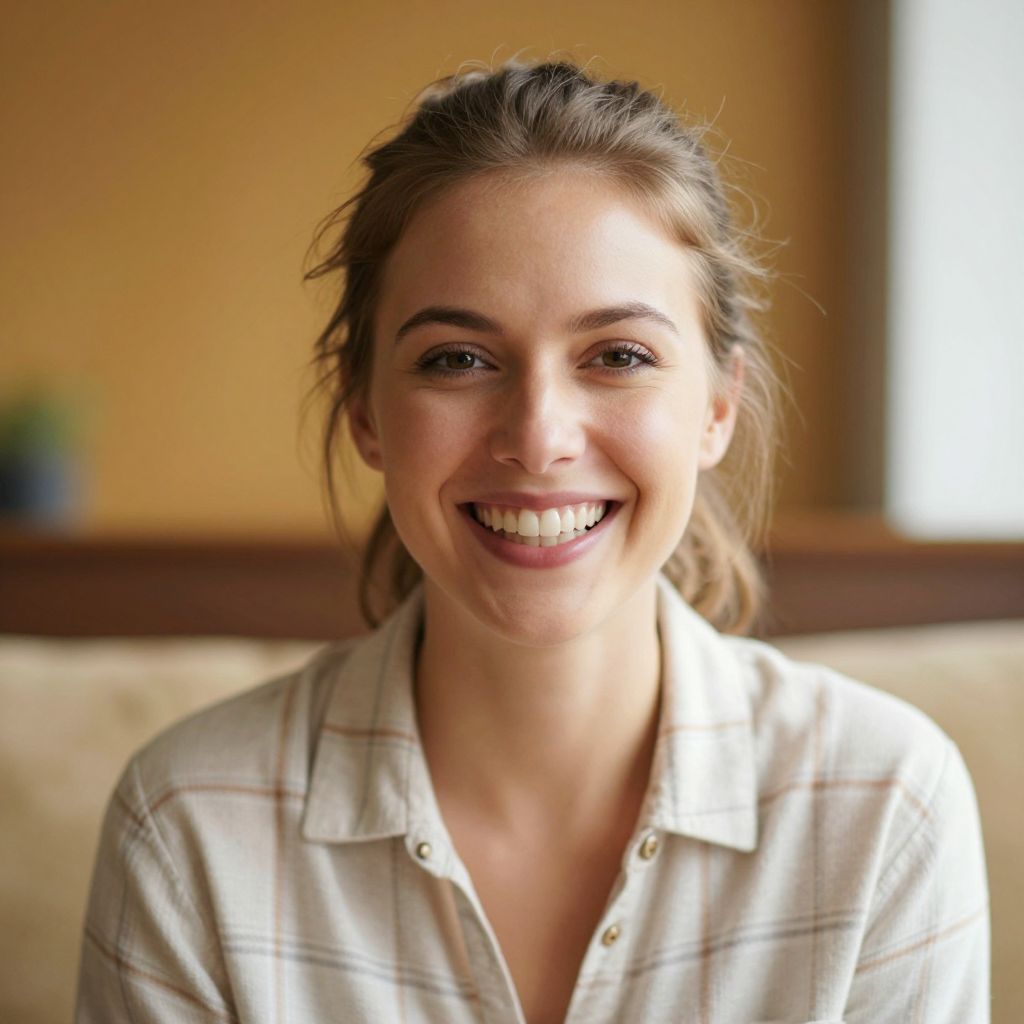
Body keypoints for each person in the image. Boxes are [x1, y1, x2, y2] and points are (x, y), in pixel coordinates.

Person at [75, 58, 990, 1023]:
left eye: (619, 356)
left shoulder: (884, 804)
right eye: (458, 359)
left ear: (717, 407)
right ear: (367, 413)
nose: (540, 436)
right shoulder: (189, 826)